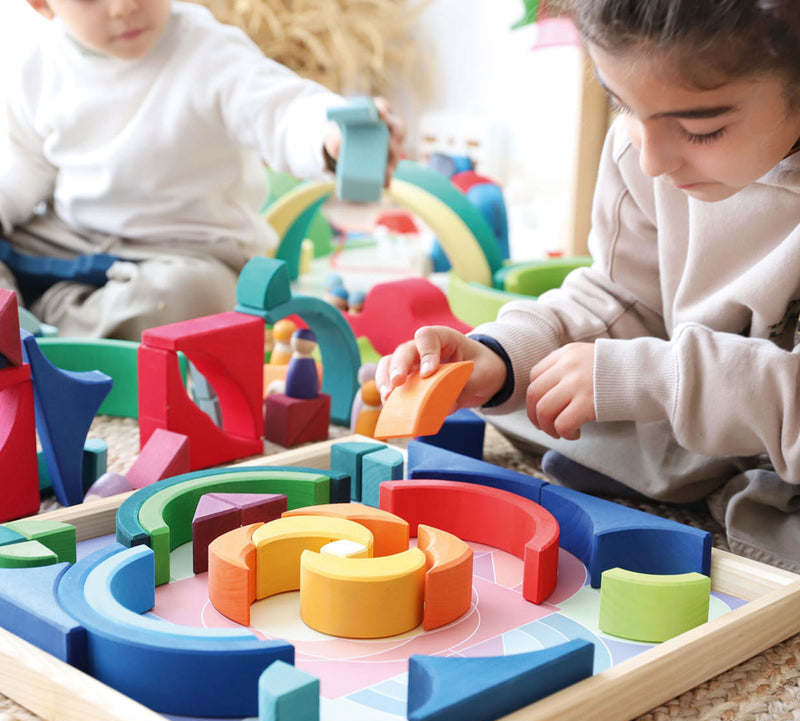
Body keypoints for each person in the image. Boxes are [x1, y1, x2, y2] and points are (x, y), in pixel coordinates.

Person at [377, 0, 800, 571]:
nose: (651, 160)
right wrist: (501, 356)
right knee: (535, 395)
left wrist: (651, 378)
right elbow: (621, 296)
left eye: (702, 129)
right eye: (622, 104)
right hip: (710, 416)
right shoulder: (641, 150)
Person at [0, 0, 404, 340]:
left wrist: (330, 136)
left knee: (198, 298)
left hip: (183, 252)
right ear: (41, 3)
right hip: (68, 242)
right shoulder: (35, 67)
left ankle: (40, 326)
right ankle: (36, 321)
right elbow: (21, 171)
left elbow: (281, 111)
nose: (123, 7)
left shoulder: (208, 51)